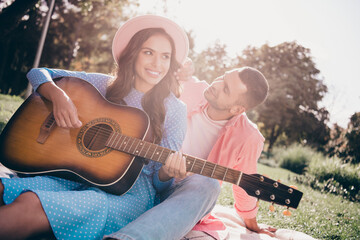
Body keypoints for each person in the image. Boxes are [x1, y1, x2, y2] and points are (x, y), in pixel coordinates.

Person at [0, 15, 194, 240]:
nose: (157, 64)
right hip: (79, 172)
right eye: (148, 52)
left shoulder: (175, 109)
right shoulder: (105, 84)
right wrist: (58, 96)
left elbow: (159, 186)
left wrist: (167, 172)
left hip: (128, 193)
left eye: (165, 57)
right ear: (133, 53)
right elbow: (38, 73)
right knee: (10, 190)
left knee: (34, 204)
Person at [105, 61, 277, 240]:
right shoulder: (191, 88)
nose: (216, 84)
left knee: (209, 185)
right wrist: (180, 65)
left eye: (225, 89)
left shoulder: (248, 137)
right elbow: (168, 67)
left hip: (184, 197)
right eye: (222, 77)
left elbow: (245, 183)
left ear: (237, 109)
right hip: (147, 176)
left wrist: (253, 226)